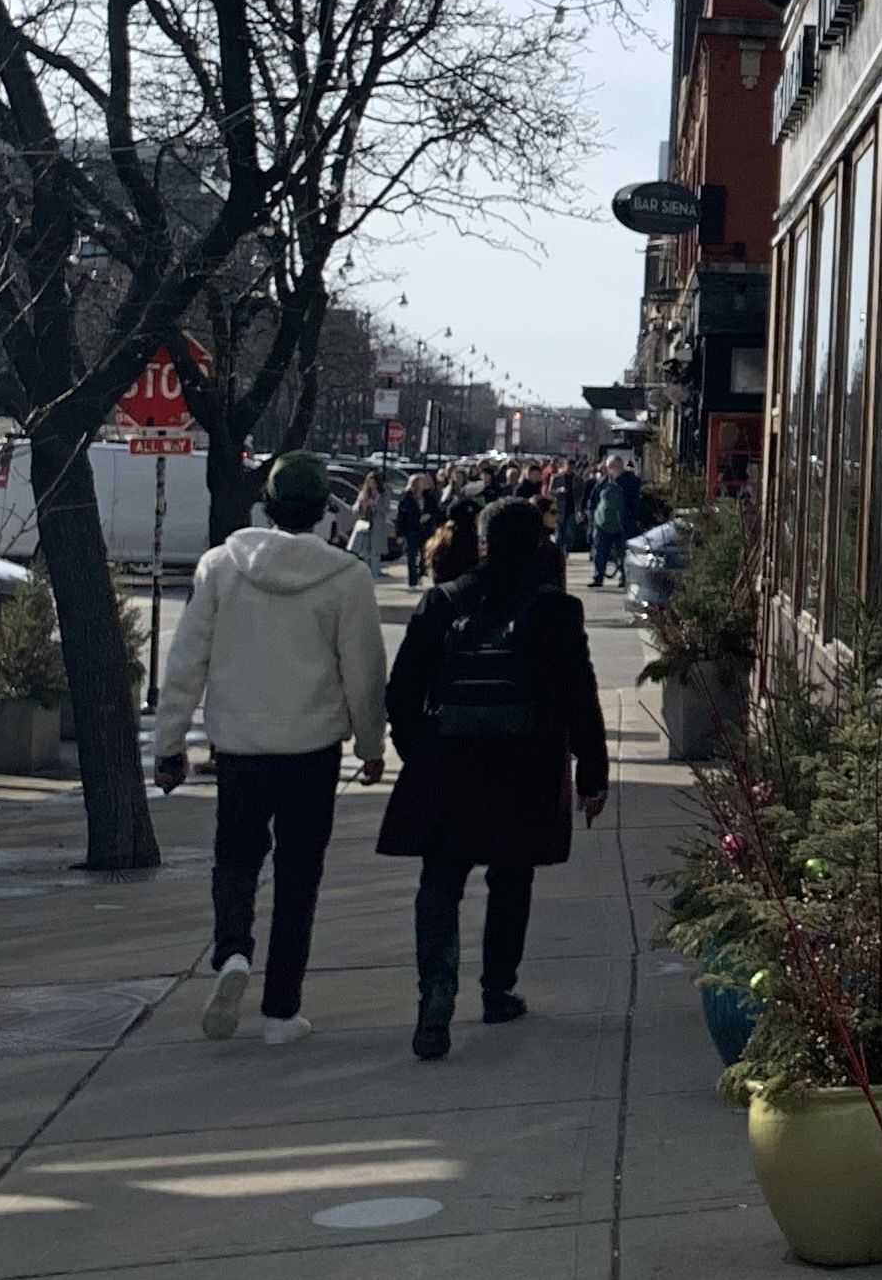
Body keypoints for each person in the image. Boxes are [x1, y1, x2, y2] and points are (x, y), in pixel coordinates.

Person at [149, 448, 388, 1045]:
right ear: (321, 512)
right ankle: (282, 1009)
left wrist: (170, 742)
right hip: (312, 749)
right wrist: (371, 742)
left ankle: (232, 951)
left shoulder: (220, 567)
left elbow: (186, 662)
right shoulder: (346, 577)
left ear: (268, 503)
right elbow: (363, 670)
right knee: (299, 874)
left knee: (234, 858)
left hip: (239, 747)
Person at [380, 496, 609, 1058]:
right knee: (511, 876)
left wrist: (419, 751)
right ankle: (497, 989)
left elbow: (401, 692)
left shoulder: (443, 601)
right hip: (525, 760)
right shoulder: (555, 609)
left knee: (441, 877)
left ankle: (436, 985)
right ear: (537, 545)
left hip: (450, 758)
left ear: (480, 541)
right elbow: (580, 694)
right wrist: (592, 772)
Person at [588, 458, 642, 589]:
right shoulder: (603, 482)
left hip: (622, 525)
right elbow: (593, 500)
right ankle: (598, 577)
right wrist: (593, 517)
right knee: (600, 552)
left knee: (623, 553)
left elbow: (634, 503)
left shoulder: (630, 482)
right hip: (602, 524)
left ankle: (624, 578)